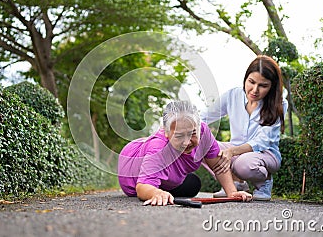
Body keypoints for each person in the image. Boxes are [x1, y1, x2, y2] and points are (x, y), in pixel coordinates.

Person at [118, 100, 252, 206]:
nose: (187, 142)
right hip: (131, 172)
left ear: (199, 127)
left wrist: (232, 192)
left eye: (192, 133)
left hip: (169, 175)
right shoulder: (158, 148)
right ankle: (161, 187)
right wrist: (156, 193)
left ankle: (165, 184)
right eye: (179, 136)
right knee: (160, 192)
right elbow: (142, 187)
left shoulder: (203, 132)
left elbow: (218, 165)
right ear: (165, 132)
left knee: (193, 185)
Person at [201, 55, 288, 201]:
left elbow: (263, 141)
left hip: (265, 154)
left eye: (263, 85)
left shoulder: (279, 104)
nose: (254, 90)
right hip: (235, 149)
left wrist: (232, 152)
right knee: (202, 145)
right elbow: (204, 117)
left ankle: (264, 181)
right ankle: (236, 183)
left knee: (243, 164)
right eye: (251, 82)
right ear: (245, 78)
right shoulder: (233, 95)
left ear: (271, 87)